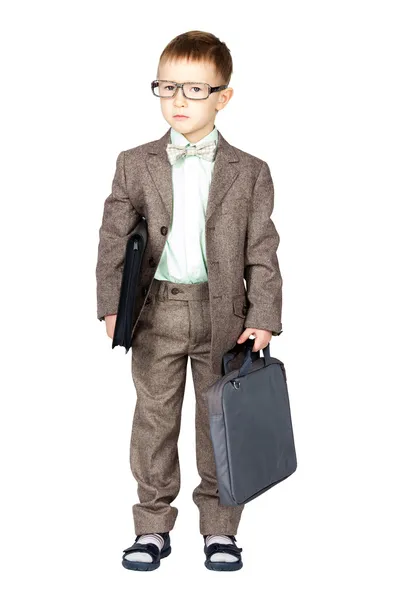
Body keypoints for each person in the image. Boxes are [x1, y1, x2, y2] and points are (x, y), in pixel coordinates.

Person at [95, 30, 283, 572]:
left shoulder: (250, 171)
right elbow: (113, 236)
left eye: (195, 90)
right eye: (168, 86)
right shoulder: (135, 163)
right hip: (156, 314)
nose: (178, 100)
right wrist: (112, 305)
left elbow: (262, 247)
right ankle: (152, 525)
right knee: (153, 421)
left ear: (224, 96)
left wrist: (264, 316)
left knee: (218, 423)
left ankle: (220, 530)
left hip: (225, 316)